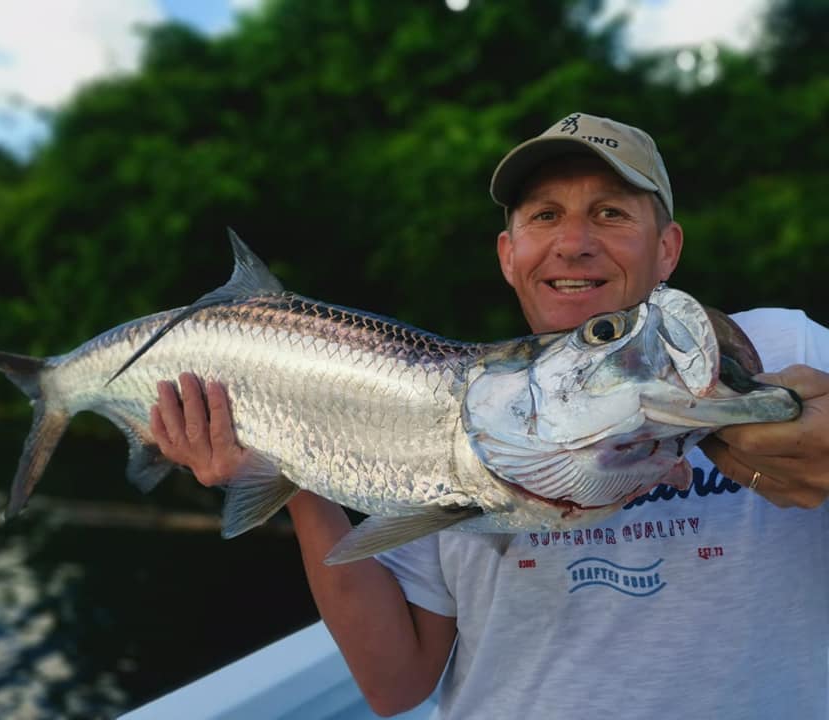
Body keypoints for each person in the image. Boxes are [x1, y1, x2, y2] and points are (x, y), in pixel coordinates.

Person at [149, 113, 829, 718]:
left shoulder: (782, 349)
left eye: (612, 213)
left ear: (668, 248)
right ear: (509, 257)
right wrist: (290, 469)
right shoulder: (459, 407)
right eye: (543, 216)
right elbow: (395, 685)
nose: (573, 242)